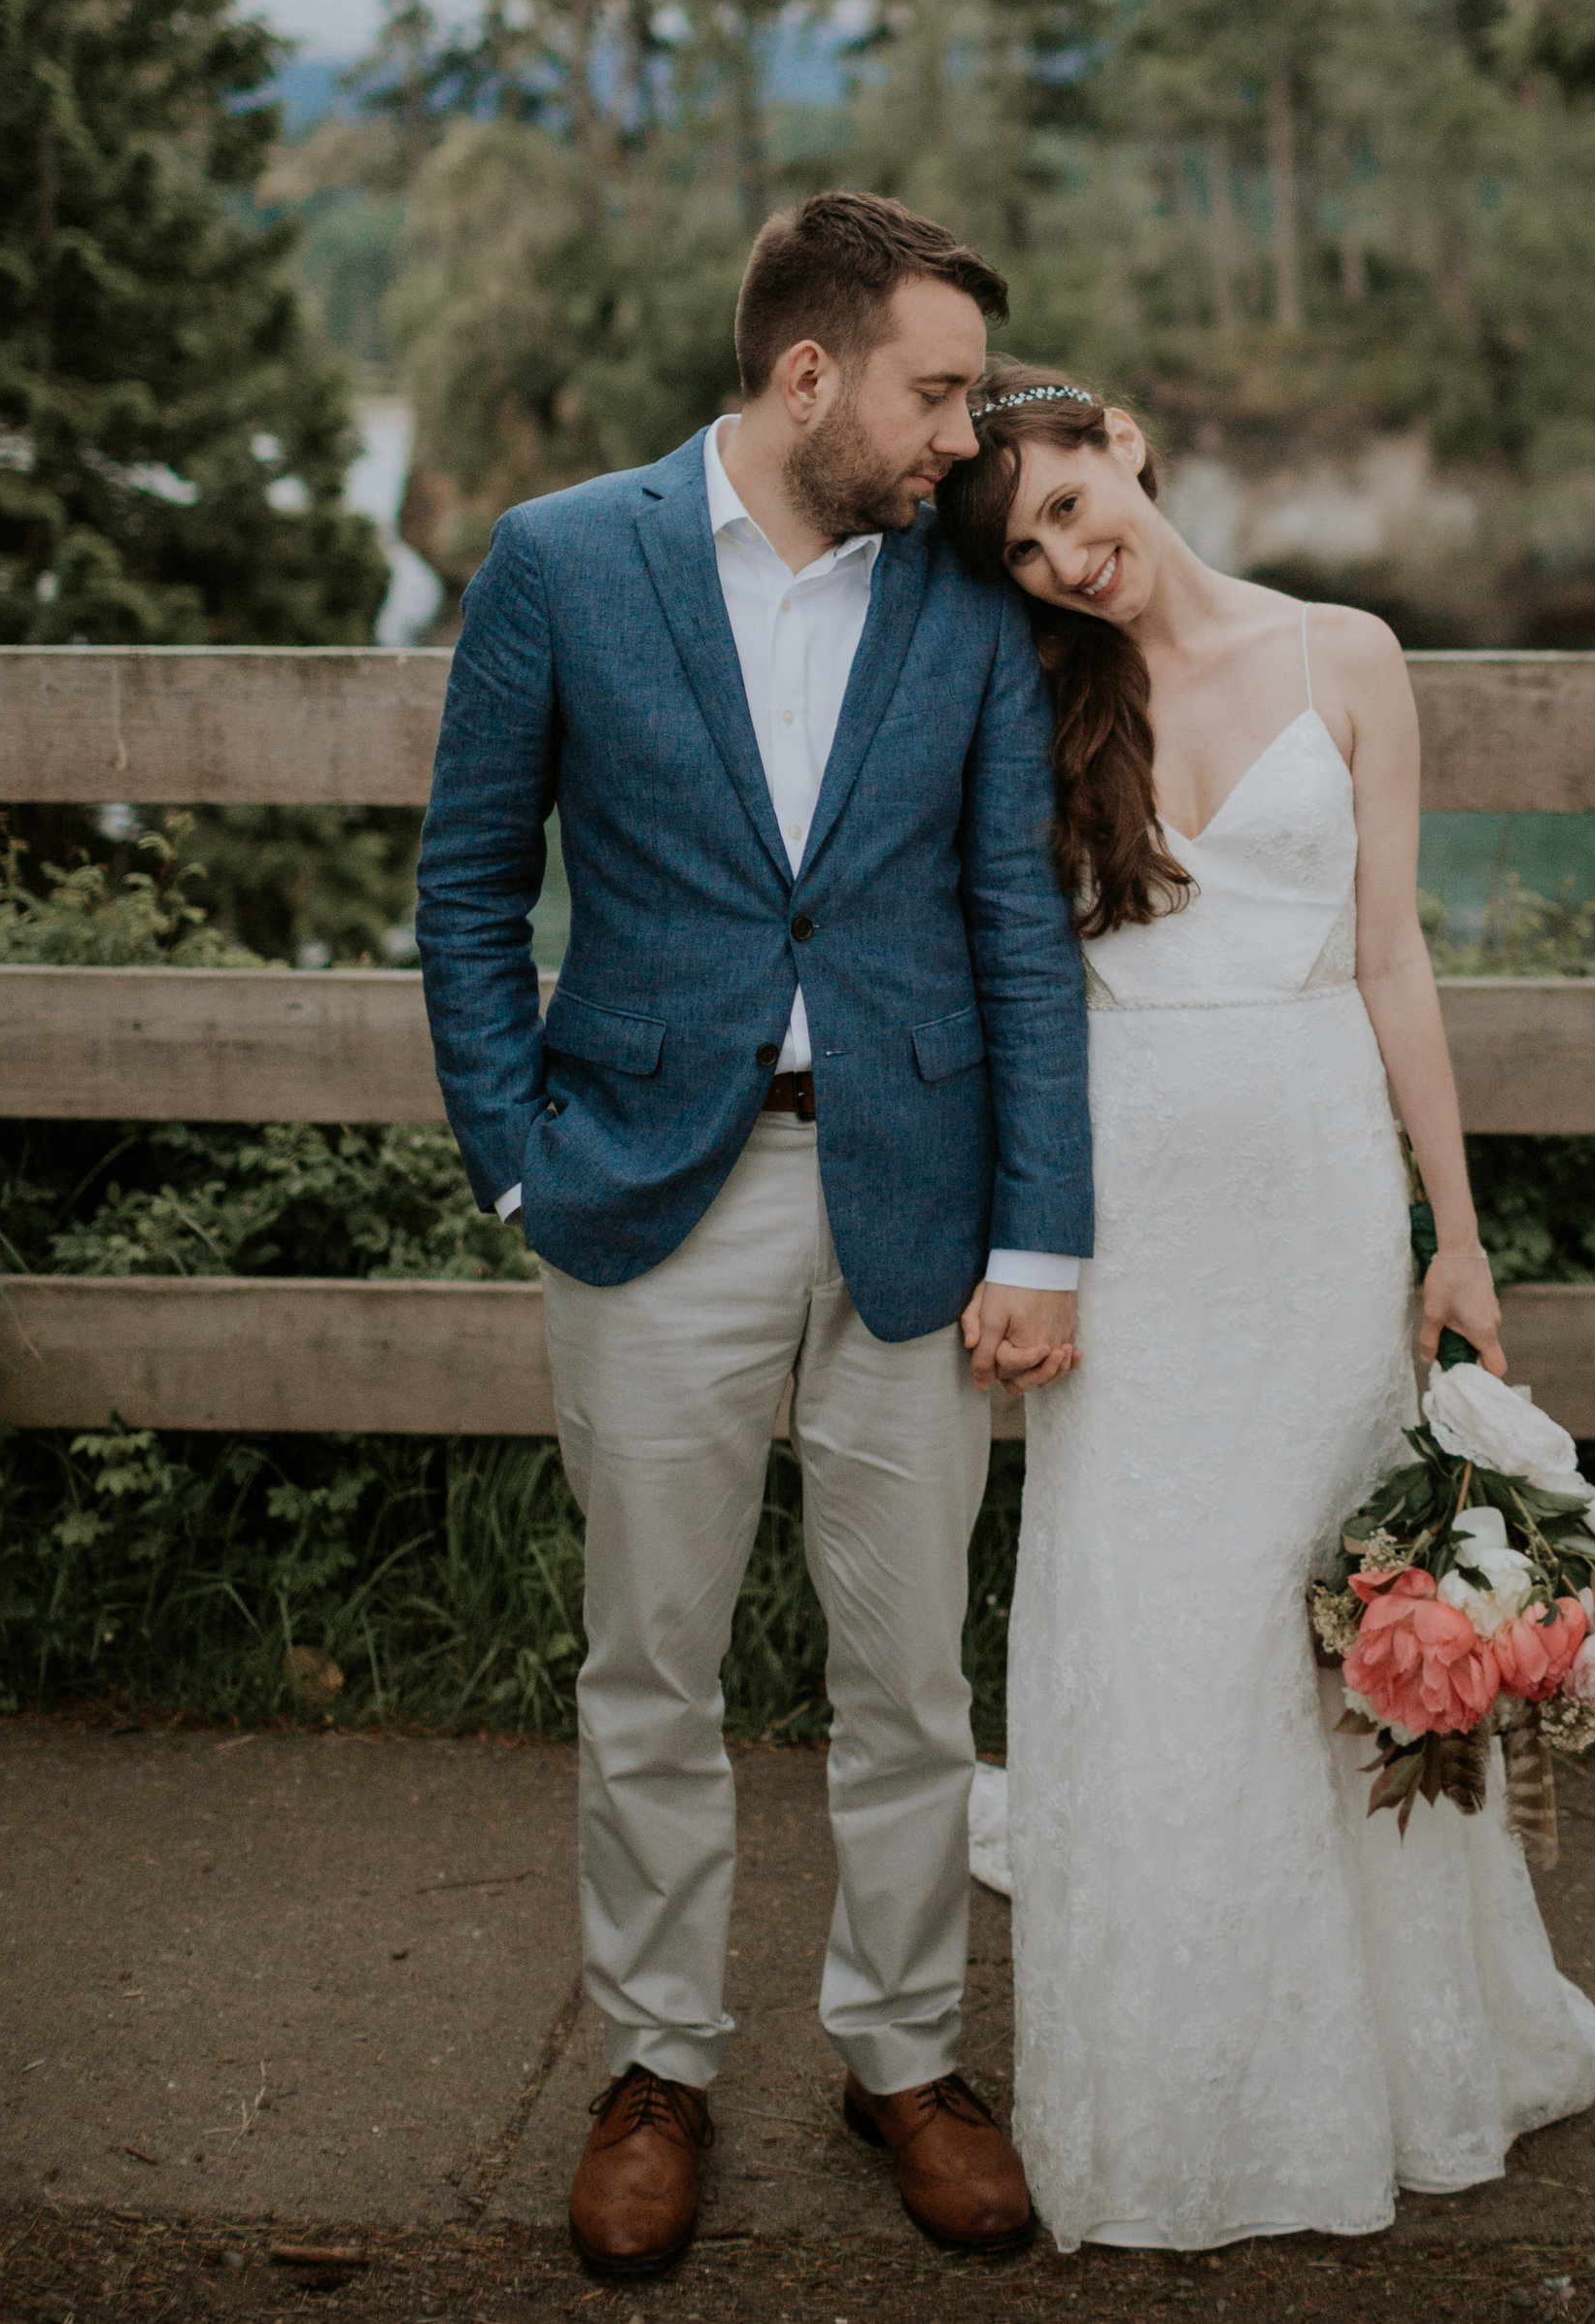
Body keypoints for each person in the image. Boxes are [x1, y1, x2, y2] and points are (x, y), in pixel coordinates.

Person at [418, 195, 1093, 2282]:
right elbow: (464, 889)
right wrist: (522, 1164)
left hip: (914, 1198)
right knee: (653, 1667)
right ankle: (653, 2063)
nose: (959, 437)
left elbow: (1010, 923)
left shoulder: (965, 597)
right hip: (641, 1198)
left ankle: (901, 2054)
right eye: (934, 389)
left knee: (907, 1682)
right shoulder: (559, 560)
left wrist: (1040, 1233)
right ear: (807, 374)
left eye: (967, 397)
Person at [935, 368, 1595, 2256]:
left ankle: (1388, 2064)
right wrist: (1019, 1244)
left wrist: (1449, 1234)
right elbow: (1006, 981)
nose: (1072, 558)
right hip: (1127, 1216)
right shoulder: (1034, 697)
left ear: (1122, 438)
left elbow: (1391, 954)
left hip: (1317, 1200)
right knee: (1159, 1626)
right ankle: (1178, 2081)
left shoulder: (1350, 655)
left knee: (1324, 1620)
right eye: (1029, 550)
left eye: (1073, 498)